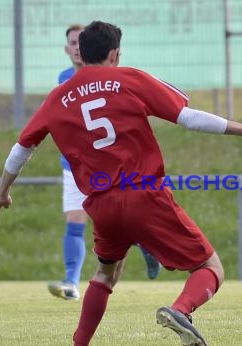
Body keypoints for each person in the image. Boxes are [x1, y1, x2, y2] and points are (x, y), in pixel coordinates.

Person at [0, 20, 242, 346]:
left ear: (82, 51)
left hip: (101, 204)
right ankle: (180, 310)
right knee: (210, 266)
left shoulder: (58, 97)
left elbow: (22, 148)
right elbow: (188, 118)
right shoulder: (128, 79)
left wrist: (1, 193)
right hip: (144, 196)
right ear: (113, 54)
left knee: (105, 274)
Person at [48, 24, 161, 302]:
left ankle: (144, 243)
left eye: (79, 42)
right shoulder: (63, 80)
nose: (76, 47)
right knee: (75, 221)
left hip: (107, 169)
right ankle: (71, 283)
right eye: (71, 43)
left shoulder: (112, 78)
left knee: (116, 222)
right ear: (67, 49)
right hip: (74, 168)